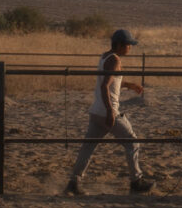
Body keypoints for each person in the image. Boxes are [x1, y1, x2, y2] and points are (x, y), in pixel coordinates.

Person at [65, 28, 154, 195]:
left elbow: (112, 81)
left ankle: (74, 181)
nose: (130, 48)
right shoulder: (114, 60)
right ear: (120, 45)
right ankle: (136, 181)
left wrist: (129, 85)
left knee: (88, 147)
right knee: (132, 142)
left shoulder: (105, 56)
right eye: (128, 45)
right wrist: (110, 112)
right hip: (107, 111)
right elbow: (105, 85)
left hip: (96, 111)